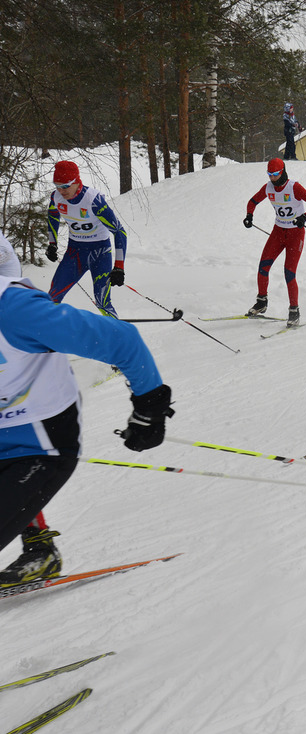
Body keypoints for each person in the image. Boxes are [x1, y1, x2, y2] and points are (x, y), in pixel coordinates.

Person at [0, 275, 173, 587]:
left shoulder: (13, 310)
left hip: (38, 443)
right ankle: (39, 548)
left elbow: (122, 340)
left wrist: (149, 408)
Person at [242, 158, 306, 326]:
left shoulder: (294, 187)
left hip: (295, 234)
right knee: (263, 267)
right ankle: (261, 302)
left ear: (283, 171)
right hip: (278, 232)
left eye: (275, 174)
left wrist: (304, 217)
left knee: (289, 272)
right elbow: (252, 201)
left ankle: (294, 310)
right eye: (270, 175)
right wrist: (249, 215)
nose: (272, 178)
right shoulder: (268, 187)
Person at [45, 160, 128, 318]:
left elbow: (119, 232)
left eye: (65, 186)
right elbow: (52, 216)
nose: (61, 191)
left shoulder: (93, 200)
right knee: (52, 298)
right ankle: (47, 335)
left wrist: (119, 267)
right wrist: (52, 244)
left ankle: (117, 334)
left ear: (76, 181)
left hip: (100, 253)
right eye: (57, 185)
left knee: (102, 301)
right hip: (75, 253)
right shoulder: (56, 197)